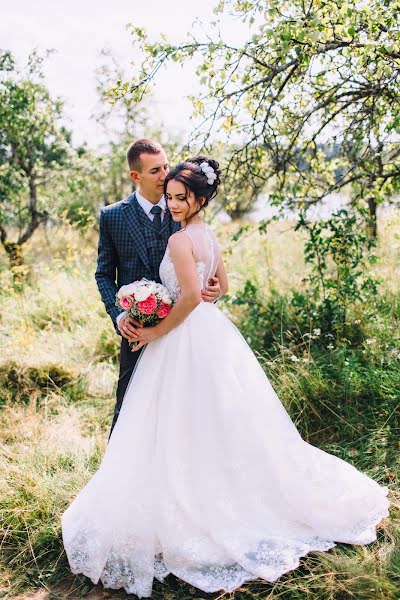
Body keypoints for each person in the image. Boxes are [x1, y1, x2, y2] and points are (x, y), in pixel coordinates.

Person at [63, 156, 390, 599]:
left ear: (198, 199)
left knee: (181, 421)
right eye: (171, 196)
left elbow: (194, 296)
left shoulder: (181, 241)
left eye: (181, 198)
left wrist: (157, 329)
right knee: (217, 421)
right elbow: (221, 287)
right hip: (211, 335)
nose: (173, 202)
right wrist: (188, 297)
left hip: (181, 337)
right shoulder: (207, 233)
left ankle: (194, 502)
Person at [94, 139, 220, 435]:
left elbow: (204, 257)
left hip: (186, 328)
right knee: (129, 404)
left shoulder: (185, 205)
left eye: (166, 165)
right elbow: (103, 274)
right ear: (135, 176)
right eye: (155, 170)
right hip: (138, 326)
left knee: (187, 406)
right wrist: (119, 316)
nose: (165, 173)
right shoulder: (113, 217)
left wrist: (212, 287)